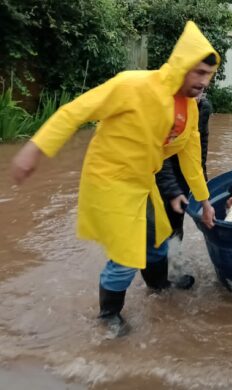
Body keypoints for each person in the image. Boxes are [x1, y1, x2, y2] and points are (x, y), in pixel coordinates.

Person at [10, 21, 219, 336]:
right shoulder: (132, 86)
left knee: (157, 236)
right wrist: (35, 149)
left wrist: (204, 201)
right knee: (126, 254)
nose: (205, 81)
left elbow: (190, 158)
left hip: (143, 182)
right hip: (111, 179)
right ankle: (108, 315)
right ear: (181, 66)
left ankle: (159, 286)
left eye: (209, 75)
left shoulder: (190, 109)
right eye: (199, 72)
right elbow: (74, 112)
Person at [156, 91, 212, 286]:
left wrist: (202, 186)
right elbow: (160, 156)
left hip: (184, 168)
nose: (197, 95)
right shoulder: (166, 107)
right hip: (158, 167)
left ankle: (173, 271)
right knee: (158, 223)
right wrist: (173, 190)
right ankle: (160, 278)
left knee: (175, 220)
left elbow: (199, 146)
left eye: (202, 90)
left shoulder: (202, 107)